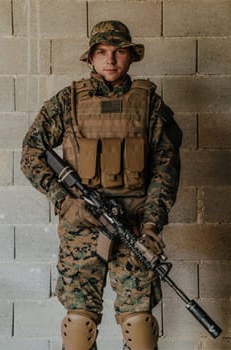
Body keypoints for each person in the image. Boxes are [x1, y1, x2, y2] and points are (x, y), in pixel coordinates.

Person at [21, 20, 182, 350]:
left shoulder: (151, 107)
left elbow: (165, 171)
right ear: (91, 58)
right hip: (81, 230)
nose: (110, 60)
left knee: (140, 329)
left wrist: (151, 225)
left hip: (134, 230)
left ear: (130, 57)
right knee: (79, 329)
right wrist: (66, 202)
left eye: (119, 52)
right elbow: (31, 152)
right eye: (102, 52)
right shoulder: (67, 102)